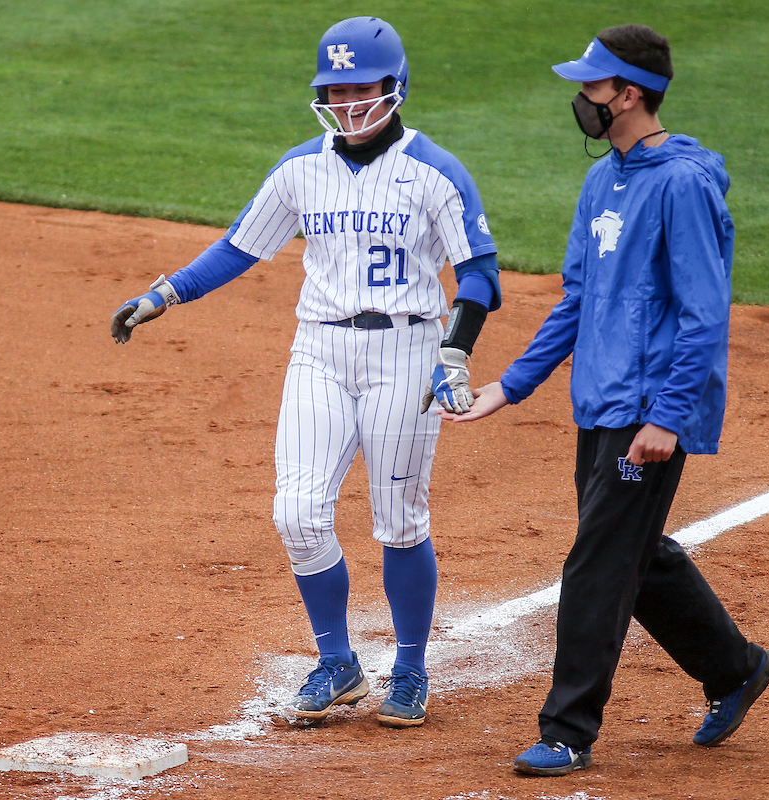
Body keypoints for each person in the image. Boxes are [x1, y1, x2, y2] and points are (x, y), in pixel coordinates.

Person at [109, 16, 501, 729]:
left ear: (394, 87)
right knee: (296, 512)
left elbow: (478, 272)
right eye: (335, 89)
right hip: (318, 348)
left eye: (361, 88)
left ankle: (409, 670)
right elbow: (240, 246)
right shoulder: (301, 168)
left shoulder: (434, 172)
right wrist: (164, 294)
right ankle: (339, 663)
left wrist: (456, 349)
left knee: (400, 522)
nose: (348, 103)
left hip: (406, 353)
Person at [440, 25, 769, 774]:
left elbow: (703, 312)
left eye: (592, 87)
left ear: (628, 94)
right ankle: (737, 668)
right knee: (631, 552)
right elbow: (578, 299)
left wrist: (667, 416)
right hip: (600, 401)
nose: (580, 100)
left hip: (648, 408)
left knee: (596, 561)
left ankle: (567, 730)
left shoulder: (681, 186)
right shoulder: (605, 179)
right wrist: (511, 385)